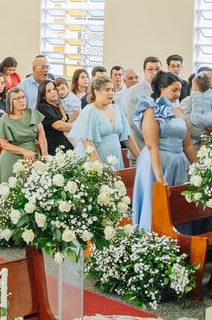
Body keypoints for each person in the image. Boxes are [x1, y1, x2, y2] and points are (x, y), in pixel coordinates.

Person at [132, 71, 198, 231]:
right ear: (162, 88)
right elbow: (152, 146)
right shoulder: (151, 110)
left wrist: (199, 168)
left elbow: (188, 144)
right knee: (155, 204)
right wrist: (160, 179)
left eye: (179, 90)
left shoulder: (179, 111)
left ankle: (179, 239)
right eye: (174, 90)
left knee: (177, 207)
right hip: (155, 163)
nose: (178, 94)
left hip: (177, 163)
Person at [70, 77, 139, 169]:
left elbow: (128, 137)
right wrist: (98, 165)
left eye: (112, 90)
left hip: (116, 159)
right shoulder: (90, 110)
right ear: (96, 92)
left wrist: (140, 157)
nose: (111, 93)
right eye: (107, 90)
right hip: (96, 162)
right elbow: (87, 141)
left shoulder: (118, 109)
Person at [0, 88, 47, 183]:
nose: (22, 100)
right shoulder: (5, 119)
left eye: (23, 97)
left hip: (33, 156)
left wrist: (45, 154)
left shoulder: (32, 113)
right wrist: (24, 151)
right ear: (10, 102)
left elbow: (41, 135)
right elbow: (4, 144)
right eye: (17, 98)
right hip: (11, 158)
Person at [118, 56, 163, 154]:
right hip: (141, 146)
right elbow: (133, 121)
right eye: (150, 69)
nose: (154, 72)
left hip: (163, 147)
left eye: (157, 69)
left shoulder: (165, 90)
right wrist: (154, 139)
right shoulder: (133, 91)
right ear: (144, 71)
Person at [36, 78, 72, 155]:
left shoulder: (59, 105)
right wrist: (79, 126)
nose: (53, 92)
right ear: (43, 96)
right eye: (49, 91)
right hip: (53, 148)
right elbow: (59, 126)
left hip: (64, 144)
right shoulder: (43, 107)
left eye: (54, 89)